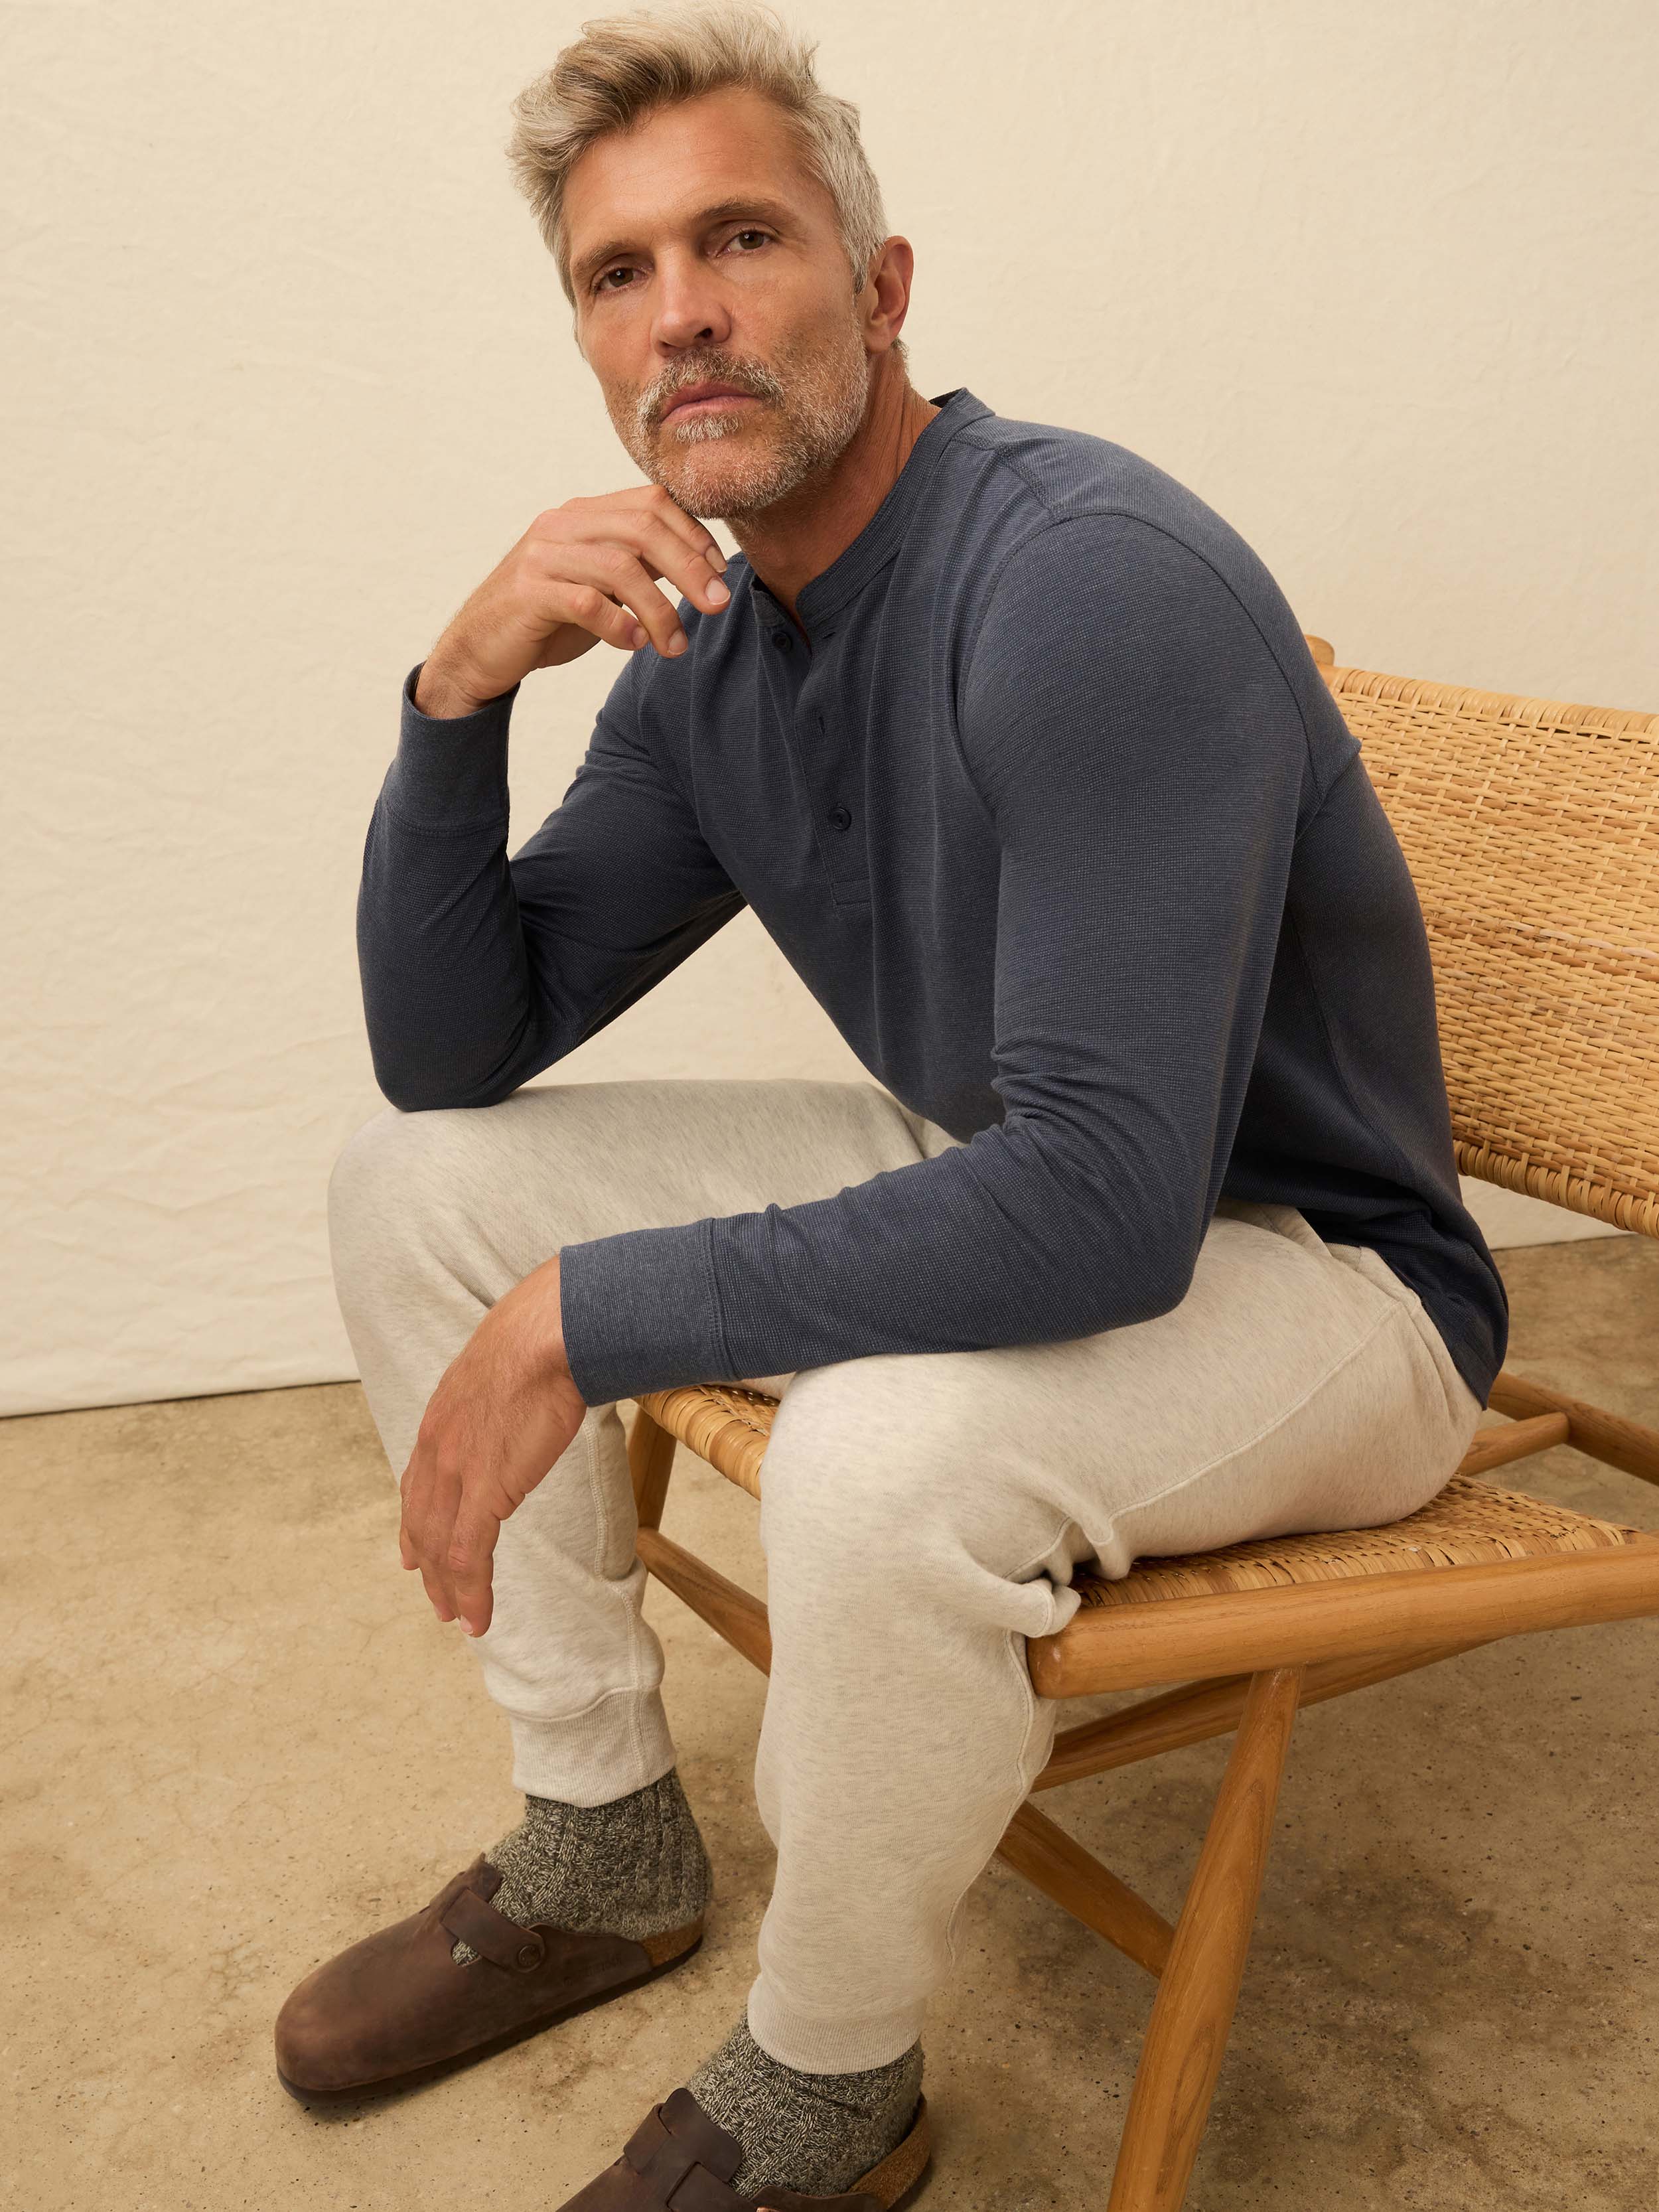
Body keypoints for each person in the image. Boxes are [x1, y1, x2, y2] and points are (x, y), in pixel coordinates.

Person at [273, 3, 1509, 2204]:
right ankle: (600, 1847)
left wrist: (586, 1315)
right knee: (417, 1183)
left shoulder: (1080, 582)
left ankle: (828, 2090)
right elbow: (454, 1053)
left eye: (738, 239)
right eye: (618, 274)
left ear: (879, 283)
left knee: (872, 1455)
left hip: (1318, 1286)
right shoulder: (715, 638)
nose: (687, 319)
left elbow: (1119, 1214)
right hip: (1019, 1167)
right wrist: (452, 697)